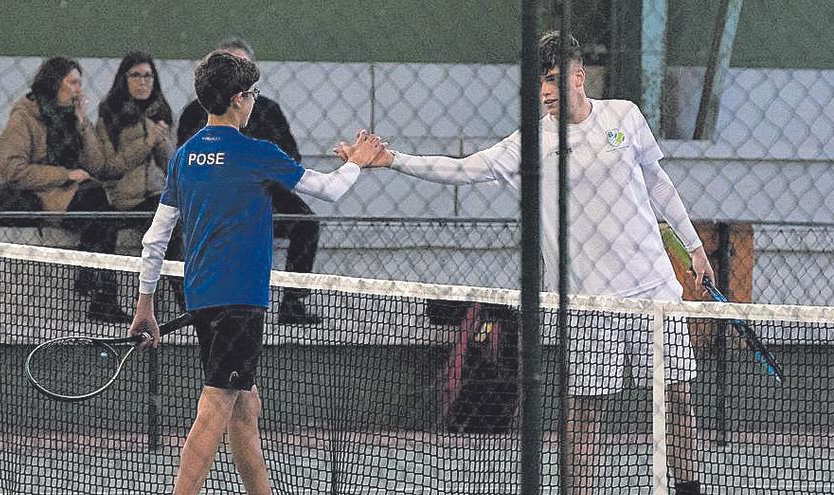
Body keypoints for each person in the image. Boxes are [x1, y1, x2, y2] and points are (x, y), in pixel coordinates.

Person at [336, 32, 714, 495]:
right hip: (587, 303)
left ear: (579, 77)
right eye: (540, 83)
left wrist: (694, 247)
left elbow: (659, 186)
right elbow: (463, 168)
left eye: (554, 79)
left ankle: (689, 490)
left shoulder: (626, 117)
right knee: (582, 413)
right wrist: (393, 159)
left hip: (654, 288)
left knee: (677, 398)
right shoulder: (530, 143)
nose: (546, 91)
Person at [128, 51, 384, 495]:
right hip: (242, 304)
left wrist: (145, 304)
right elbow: (331, 190)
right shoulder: (257, 153)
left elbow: (155, 239)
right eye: (252, 94)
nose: (253, 101)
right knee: (214, 409)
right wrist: (357, 160)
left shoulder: (184, 156)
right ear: (239, 100)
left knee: (246, 410)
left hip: (203, 299)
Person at [177, 37, 321, 325]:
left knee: (307, 223)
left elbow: (292, 157)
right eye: (229, 64)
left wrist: (259, 168)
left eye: (242, 64)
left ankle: (292, 302)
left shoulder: (268, 109)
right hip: (215, 196)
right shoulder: (198, 111)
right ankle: (196, 306)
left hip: (268, 191)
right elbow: (189, 157)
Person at [0, 56, 130, 323]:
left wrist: (83, 124)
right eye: (73, 82)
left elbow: (98, 165)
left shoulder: (73, 117)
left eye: (80, 83)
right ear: (55, 83)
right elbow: (13, 169)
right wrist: (65, 174)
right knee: (102, 207)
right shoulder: (25, 115)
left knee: (105, 212)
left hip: (79, 194)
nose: (78, 90)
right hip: (44, 193)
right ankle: (101, 295)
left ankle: (94, 280)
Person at [96, 51, 183, 304]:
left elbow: (170, 165)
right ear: (124, 79)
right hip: (120, 199)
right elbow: (110, 167)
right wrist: (147, 141)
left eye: (148, 76)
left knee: (171, 230)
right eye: (135, 76)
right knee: (103, 235)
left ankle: (186, 304)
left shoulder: (162, 113)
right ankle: (104, 302)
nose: (143, 82)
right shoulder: (110, 114)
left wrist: (161, 140)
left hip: (154, 196)